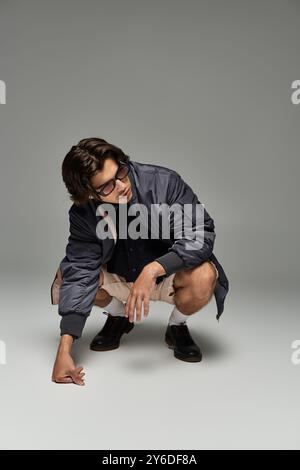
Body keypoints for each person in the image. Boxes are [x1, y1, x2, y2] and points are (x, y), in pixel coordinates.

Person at [51, 138, 229, 385]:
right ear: (89, 194)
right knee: (67, 272)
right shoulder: (83, 212)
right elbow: (81, 269)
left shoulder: (163, 182)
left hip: (169, 277)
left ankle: (177, 326)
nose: (121, 185)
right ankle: (119, 316)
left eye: (121, 172)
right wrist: (64, 350)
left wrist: (154, 269)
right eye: (107, 187)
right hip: (120, 278)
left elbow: (200, 233)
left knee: (205, 275)